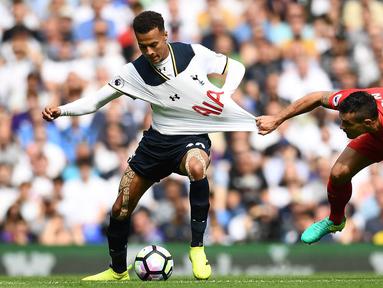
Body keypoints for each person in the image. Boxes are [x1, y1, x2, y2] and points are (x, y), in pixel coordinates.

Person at [42, 11, 256, 281]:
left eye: (154, 44)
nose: (150, 51)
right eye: (143, 46)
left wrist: (223, 94)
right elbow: (95, 102)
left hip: (192, 135)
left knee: (197, 167)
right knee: (121, 207)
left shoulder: (192, 54)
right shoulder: (134, 72)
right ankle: (118, 271)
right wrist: (61, 110)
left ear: (165, 35)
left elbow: (235, 67)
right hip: (156, 142)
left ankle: (198, 249)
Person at [256, 88, 383, 244]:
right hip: (376, 137)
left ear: (368, 122)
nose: (341, 127)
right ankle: (335, 221)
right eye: (341, 120)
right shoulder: (349, 100)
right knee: (338, 173)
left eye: (347, 123)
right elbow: (317, 97)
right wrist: (277, 118)